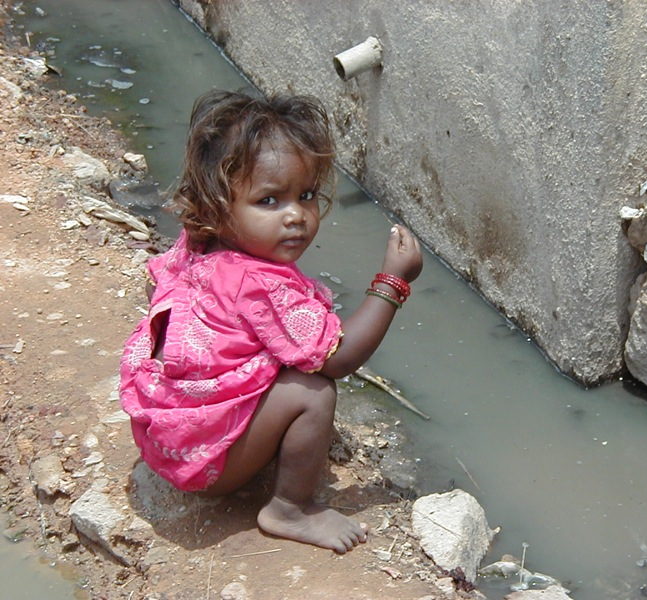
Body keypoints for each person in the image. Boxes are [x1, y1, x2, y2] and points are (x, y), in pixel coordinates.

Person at [119, 89, 423, 554]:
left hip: (162, 436)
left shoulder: (197, 242)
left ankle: (222, 429)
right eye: (269, 201)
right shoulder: (262, 285)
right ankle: (289, 510)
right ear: (218, 207)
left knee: (288, 365)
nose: (296, 216)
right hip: (205, 468)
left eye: (304, 196)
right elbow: (340, 358)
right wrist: (392, 284)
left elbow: (157, 291)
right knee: (313, 390)